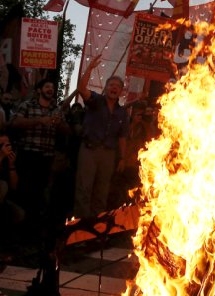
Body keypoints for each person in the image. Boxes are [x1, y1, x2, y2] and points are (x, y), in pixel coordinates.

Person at [74, 54, 129, 219]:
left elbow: (122, 137)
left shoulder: (122, 112)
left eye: (117, 86)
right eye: (111, 85)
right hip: (89, 150)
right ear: (106, 88)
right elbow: (82, 88)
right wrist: (90, 68)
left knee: (102, 191)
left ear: (121, 91)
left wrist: (122, 158)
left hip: (108, 154)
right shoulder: (96, 100)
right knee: (84, 188)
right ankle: (80, 227)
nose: (114, 88)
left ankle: (97, 226)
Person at [9, 78, 69, 224]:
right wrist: (39, 121)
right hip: (28, 154)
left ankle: (34, 226)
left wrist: (59, 124)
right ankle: (20, 224)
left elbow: (68, 130)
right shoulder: (27, 105)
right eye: (47, 86)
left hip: (46, 157)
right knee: (25, 190)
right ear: (39, 90)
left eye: (52, 87)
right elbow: (15, 122)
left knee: (40, 191)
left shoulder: (56, 110)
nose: (50, 89)